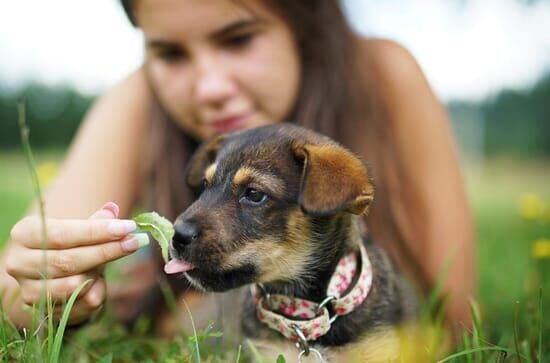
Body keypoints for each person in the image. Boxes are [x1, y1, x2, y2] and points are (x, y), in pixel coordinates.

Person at [0, 0, 475, 338]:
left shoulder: (382, 74)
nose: (208, 87)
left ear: (303, 20)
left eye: (239, 39)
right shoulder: (137, 100)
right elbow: (15, 294)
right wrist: (42, 285)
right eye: (170, 53)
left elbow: (456, 320)